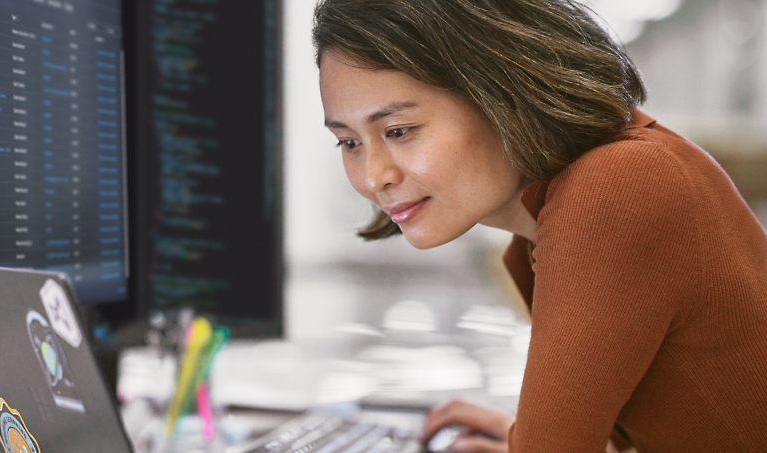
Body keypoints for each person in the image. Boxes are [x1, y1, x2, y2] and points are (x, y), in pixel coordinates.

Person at [312, 0, 767, 452]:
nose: (373, 177)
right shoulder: (542, 227)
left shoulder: (615, 189)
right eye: (348, 142)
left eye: (398, 131)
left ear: (500, 93)